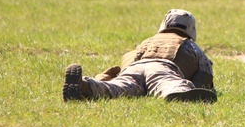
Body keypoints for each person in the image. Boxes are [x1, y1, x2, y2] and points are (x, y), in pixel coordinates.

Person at [63, 8, 216, 103]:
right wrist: (197, 89)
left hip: (134, 68)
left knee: (117, 87)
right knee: (168, 85)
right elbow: (205, 74)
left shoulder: (148, 41)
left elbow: (125, 62)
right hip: (163, 68)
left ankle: (85, 85)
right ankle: (182, 93)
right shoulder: (190, 45)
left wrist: (102, 78)